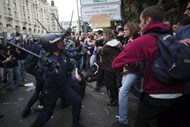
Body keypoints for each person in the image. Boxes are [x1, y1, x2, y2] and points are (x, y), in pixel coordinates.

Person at [112, 6, 188, 127]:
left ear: (148, 20)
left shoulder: (143, 41)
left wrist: (122, 70)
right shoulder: (172, 38)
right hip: (179, 95)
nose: (140, 25)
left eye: (141, 21)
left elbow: (116, 64)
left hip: (154, 96)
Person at [31, 33, 86, 127]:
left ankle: (76, 124)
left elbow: (68, 67)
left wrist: (78, 57)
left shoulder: (63, 53)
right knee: (47, 114)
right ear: (52, 46)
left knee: (77, 100)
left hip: (64, 86)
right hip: (52, 90)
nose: (61, 42)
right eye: (58, 42)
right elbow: (45, 76)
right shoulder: (45, 60)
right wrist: (52, 70)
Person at [112, 22, 140, 127]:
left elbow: (137, 60)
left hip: (133, 71)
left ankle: (123, 121)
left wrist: (127, 69)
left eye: (125, 29)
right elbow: (128, 55)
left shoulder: (134, 41)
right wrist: (121, 48)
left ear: (131, 30)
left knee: (122, 92)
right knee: (132, 89)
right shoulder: (129, 40)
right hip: (130, 70)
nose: (123, 31)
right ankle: (148, 100)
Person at [100, 29, 123, 106]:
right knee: (114, 84)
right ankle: (116, 98)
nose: (103, 37)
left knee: (109, 84)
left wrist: (100, 49)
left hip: (108, 68)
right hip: (116, 67)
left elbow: (101, 51)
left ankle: (113, 100)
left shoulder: (107, 46)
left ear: (108, 36)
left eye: (104, 35)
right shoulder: (118, 43)